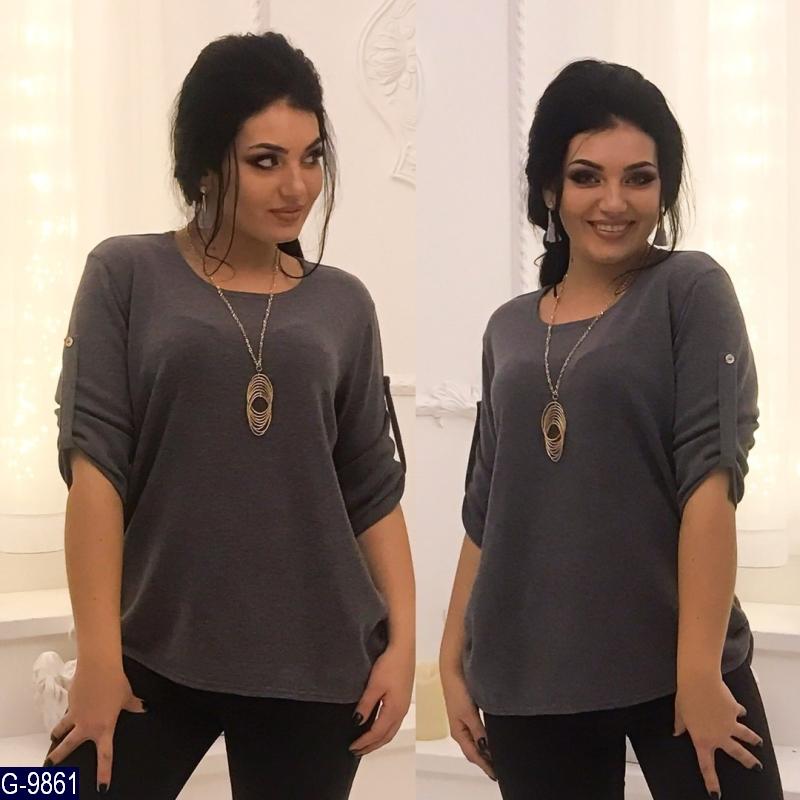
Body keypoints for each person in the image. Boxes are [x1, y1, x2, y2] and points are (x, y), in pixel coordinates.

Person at [45, 31, 415, 800]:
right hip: (154, 646)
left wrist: (403, 645)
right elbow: (96, 473)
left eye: (312, 157)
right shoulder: (126, 273)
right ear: (208, 164)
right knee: (48, 791)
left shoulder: (343, 304)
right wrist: (99, 659)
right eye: (265, 160)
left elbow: (370, 487)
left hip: (317, 662)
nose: (297, 186)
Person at [439, 59, 784, 800]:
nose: (614, 201)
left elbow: (711, 482)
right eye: (587, 176)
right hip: (530, 674)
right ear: (549, 187)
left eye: (640, 178)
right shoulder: (507, 329)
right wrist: (451, 657)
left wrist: (699, 673)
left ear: (666, 187)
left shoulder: (690, 290)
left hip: (679, 664)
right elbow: (487, 507)